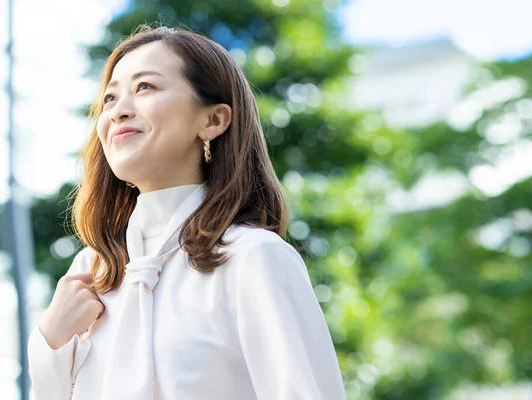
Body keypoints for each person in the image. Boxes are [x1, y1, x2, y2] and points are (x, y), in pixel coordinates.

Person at [27, 24, 347, 400]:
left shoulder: (253, 258)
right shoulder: (90, 272)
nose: (118, 111)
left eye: (145, 87)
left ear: (213, 120)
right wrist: (51, 340)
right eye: (110, 98)